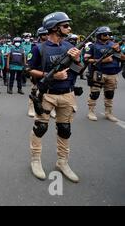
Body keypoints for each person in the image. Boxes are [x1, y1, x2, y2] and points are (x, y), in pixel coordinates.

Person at [27, 12, 81, 183]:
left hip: (67, 94)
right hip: (47, 94)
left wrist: (77, 60)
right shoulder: (39, 48)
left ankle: (62, 162)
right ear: (54, 28)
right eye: (65, 26)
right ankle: (35, 160)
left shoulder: (69, 47)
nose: (69, 28)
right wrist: (51, 76)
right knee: (40, 128)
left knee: (65, 130)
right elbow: (28, 69)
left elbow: (78, 69)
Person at [85, 26, 124, 122]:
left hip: (112, 74)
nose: (108, 36)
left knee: (109, 94)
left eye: (109, 34)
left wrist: (118, 50)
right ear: (99, 35)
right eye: (105, 34)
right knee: (95, 94)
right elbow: (86, 60)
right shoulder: (93, 46)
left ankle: (109, 113)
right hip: (99, 73)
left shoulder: (114, 45)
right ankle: (91, 112)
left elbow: (123, 58)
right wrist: (102, 60)